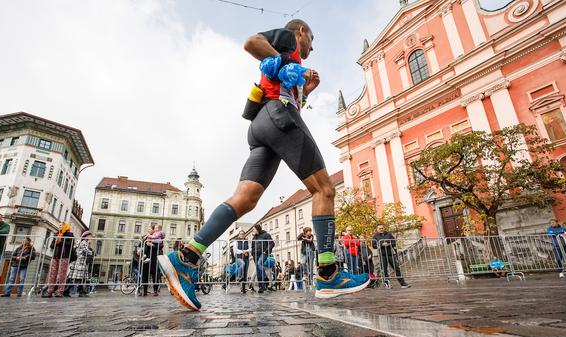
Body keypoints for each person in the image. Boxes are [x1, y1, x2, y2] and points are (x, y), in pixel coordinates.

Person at [157, 19, 369, 311]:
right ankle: (328, 274)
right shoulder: (289, 39)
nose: (312, 47)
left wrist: (306, 88)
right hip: (278, 115)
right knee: (325, 191)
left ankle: (186, 257)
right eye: (311, 38)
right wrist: (289, 65)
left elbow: (286, 90)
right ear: (301, 32)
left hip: (262, 126)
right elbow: (252, 42)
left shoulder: (292, 61)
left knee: (245, 199)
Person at [42, 222, 75, 298]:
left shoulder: (69, 234)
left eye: (61, 225)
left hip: (64, 256)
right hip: (55, 256)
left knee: (62, 274)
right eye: (59, 225)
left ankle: (60, 291)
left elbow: (70, 244)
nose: (59, 226)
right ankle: (49, 290)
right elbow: (52, 245)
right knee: (52, 273)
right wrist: (56, 243)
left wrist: (61, 241)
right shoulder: (56, 234)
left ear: (65, 227)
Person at [372, 224, 410, 289]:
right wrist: (381, 244)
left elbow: (394, 242)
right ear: (377, 229)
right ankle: (387, 284)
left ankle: (403, 283)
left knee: (396, 268)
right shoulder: (375, 236)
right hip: (382, 255)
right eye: (380, 228)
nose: (381, 229)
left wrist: (389, 244)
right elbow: (374, 245)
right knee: (384, 270)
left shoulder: (388, 234)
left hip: (390, 254)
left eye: (382, 228)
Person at [64, 230, 93, 297]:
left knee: (78, 278)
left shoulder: (82, 242)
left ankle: (70, 291)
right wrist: (91, 252)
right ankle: (74, 291)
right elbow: (84, 251)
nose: (91, 238)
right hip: (80, 262)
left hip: (80, 262)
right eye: (90, 236)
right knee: (78, 278)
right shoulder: (83, 242)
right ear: (86, 237)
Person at [251, 224, 275, 293]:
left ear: (257, 229)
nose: (253, 230)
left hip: (263, 253)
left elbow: (272, 243)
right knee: (258, 271)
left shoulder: (266, 235)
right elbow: (252, 246)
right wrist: (252, 254)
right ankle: (261, 287)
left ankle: (265, 278)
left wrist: (266, 251)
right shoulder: (254, 237)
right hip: (255, 255)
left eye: (254, 229)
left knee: (259, 263)